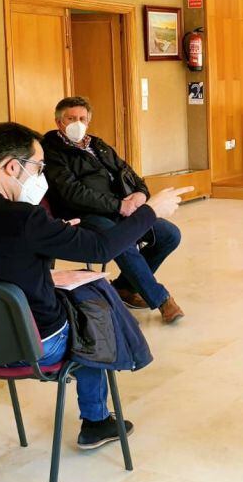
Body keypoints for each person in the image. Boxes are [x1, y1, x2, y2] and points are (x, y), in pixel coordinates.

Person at [0, 122, 190, 449]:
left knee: (79, 284)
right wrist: (150, 212)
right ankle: (96, 420)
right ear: (12, 166)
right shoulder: (24, 218)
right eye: (37, 167)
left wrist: (47, 265)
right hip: (30, 344)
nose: (41, 178)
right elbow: (101, 249)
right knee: (94, 304)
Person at [41, 96, 184, 324]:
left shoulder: (98, 145)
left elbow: (129, 172)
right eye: (71, 118)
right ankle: (162, 299)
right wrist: (119, 205)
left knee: (169, 235)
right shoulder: (51, 151)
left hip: (121, 210)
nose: (77, 123)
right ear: (59, 122)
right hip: (84, 214)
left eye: (82, 118)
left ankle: (124, 287)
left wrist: (141, 193)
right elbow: (72, 192)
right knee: (122, 241)